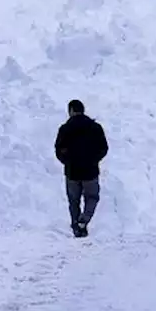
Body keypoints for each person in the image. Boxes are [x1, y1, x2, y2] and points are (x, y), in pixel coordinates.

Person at [54, 99, 109, 238]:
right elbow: (104, 148)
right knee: (92, 197)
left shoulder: (65, 129)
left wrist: (67, 161)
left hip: (72, 172)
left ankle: (76, 228)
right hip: (90, 171)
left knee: (73, 201)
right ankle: (84, 220)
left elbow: (58, 150)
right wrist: (94, 160)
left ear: (71, 111)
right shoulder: (95, 127)